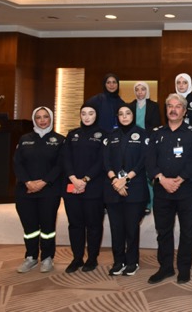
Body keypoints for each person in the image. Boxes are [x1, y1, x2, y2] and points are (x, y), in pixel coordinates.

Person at [146, 93, 192, 285]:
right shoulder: (157, 133)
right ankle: (166, 267)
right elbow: (149, 160)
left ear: (184, 111)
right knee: (163, 231)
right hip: (162, 190)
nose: (173, 109)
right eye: (170, 106)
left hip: (186, 189)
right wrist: (162, 179)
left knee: (187, 231)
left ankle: (184, 268)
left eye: (178, 106)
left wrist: (179, 179)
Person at [14, 106, 65, 273]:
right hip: (25, 191)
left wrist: (43, 182)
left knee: (47, 227)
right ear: (34, 120)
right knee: (30, 227)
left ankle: (47, 257)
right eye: (38, 117)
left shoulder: (60, 140)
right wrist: (28, 182)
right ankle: (31, 256)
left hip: (49, 191)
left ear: (51, 118)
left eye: (45, 117)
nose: (42, 120)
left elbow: (60, 165)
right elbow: (17, 163)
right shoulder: (24, 139)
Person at [103, 104, 149, 276]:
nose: (124, 116)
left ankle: (132, 262)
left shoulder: (143, 134)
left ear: (133, 115)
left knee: (131, 228)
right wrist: (115, 180)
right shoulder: (110, 136)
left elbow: (143, 160)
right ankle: (118, 261)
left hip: (134, 188)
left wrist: (126, 179)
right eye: (121, 113)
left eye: (127, 113)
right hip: (113, 188)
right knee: (116, 228)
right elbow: (105, 161)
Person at [62, 103, 106, 273]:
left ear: (97, 115)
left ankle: (92, 258)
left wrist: (85, 179)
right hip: (72, 186)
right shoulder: (72, 134)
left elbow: (102, 161)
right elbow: (66, 158)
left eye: (91, 113)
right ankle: (77, 258)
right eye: (84, 113)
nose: (87, 117)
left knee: (94, 225)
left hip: (93, 187)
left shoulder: (104, 135)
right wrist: (74, 178)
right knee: (75, 224)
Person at [130, 81, 161, 215]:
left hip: (149, 141)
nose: (140, 92)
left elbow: (156, 125)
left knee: (148, 173)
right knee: (135, 171)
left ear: (147, 91)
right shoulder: (130, 106)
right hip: (133, 142)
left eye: (143, 89)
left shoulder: (154, 106)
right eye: (137, 89)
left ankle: (149, 202)